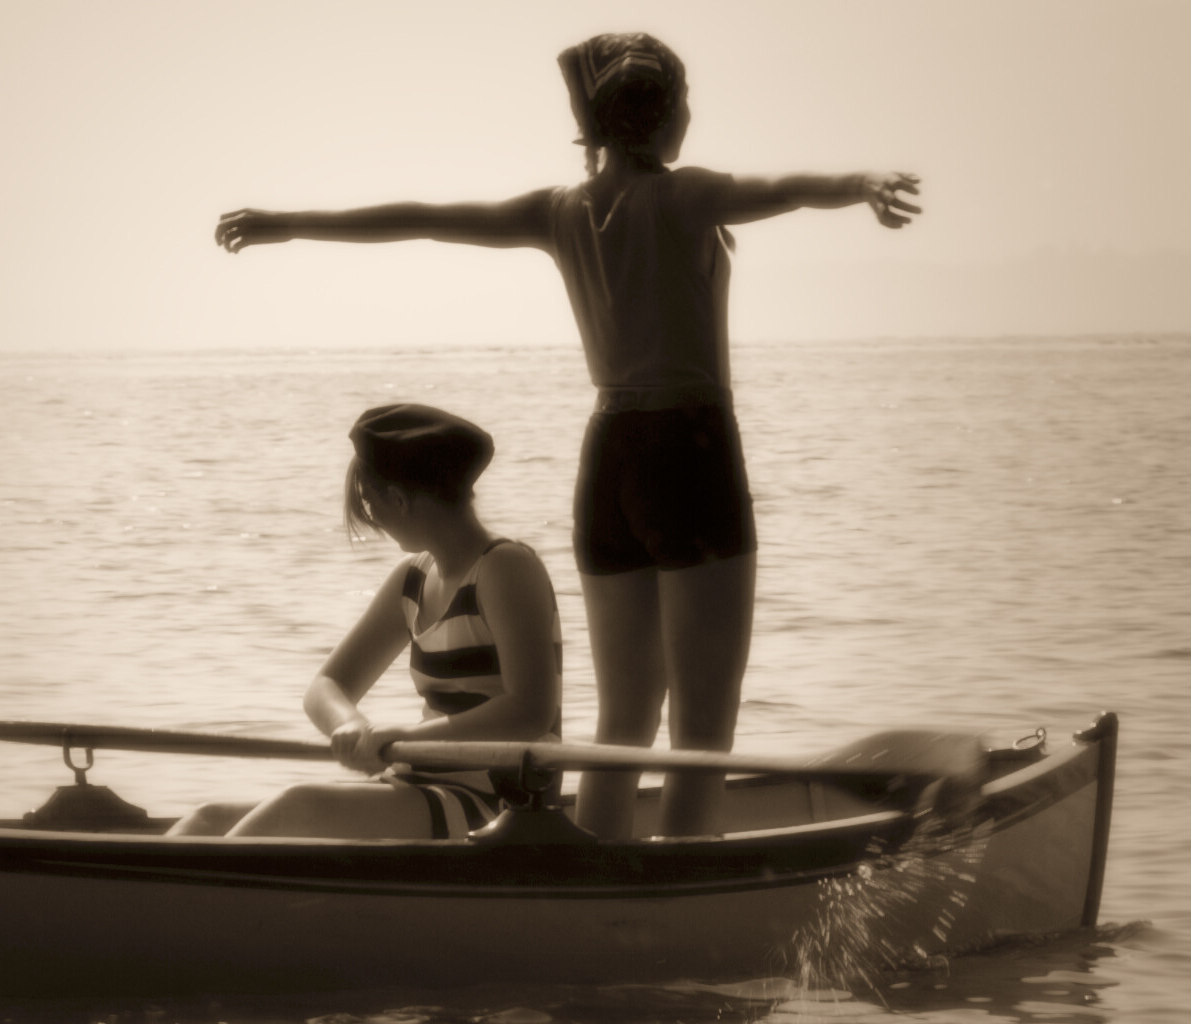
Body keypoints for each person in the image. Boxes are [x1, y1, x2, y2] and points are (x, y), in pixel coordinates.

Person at [211, 32, 922, 839]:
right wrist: (864, 183)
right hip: (689, 452)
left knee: (622, 721)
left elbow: (423, 218)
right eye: (686, 102)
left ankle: (599, 865)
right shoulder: (685, 197)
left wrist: (285, 223)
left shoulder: (560, 211)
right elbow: (786, 189)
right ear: (663, 115)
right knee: (702, 727)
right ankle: (681, 877)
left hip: (608, 460)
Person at [168, 404, 562, 840]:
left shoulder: (505, 567)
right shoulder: (413, 579)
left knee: (300, 805)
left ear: (398, 499)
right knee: (206, 818)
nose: (372, 519)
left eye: (370, 505)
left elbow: (530, 710)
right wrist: (352, 726)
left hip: (499, 806)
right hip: (420, 784)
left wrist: (407, 736)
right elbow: (326, 685)